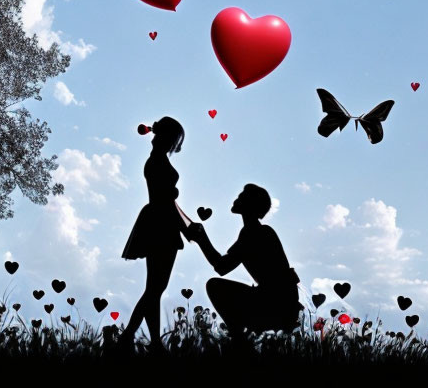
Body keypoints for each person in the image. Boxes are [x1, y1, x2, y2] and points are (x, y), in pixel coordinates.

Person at [186, 184, 303, 347]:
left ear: (250, 205)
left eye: (242, 197)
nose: (237, 199)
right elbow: (223, 264)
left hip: (275, 304)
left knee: (214, 286)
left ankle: (239, 341)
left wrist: (202, 239)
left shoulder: (253, 233)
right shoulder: (255, 232)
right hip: (280, 301)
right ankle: (240, 340)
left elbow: (222, 267)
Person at [119, 116, 192, 353]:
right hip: (162, 222)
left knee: (154, 288)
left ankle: (153, 342)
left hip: (158, 220)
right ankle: (130, 337)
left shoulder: (155, 161)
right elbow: (167, 201)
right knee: (155, 288)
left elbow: (168, 199)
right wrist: (184, 227)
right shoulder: (158, 163)